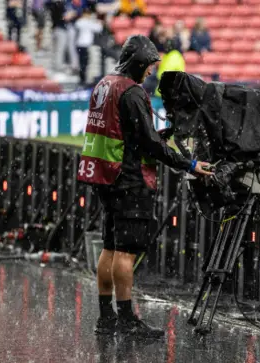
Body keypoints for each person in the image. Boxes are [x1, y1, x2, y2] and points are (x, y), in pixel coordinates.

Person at [77, 35, 212, 337]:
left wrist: (153, 136)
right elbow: (149, 145)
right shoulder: (133, 93)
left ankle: (105, 318)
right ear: (139, 62)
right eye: (150, 65)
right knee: (125, 253)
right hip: (130, 180)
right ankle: (126, 319)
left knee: (110, 248)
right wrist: (189, 164)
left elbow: (128, 133)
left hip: (106, 176)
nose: (151, 71)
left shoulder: (104, 84)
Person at [75, 6, 103, 85]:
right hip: (82, 45)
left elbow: (98, 28)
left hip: (86, 46)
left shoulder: (86, 22)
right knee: (83, 63)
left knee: (85, 63)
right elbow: (98, 28)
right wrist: (96, 22)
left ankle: (84, 79)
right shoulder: (83, 22)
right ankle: (82, 79)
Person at [94, 13, 121, 78]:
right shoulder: (102, 29)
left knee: (104, 52)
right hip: (106, 48)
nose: (109, 22)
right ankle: (102, 76)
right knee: (102, 54)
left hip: (113, 48)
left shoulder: (113, 27)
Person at [47, 0, 69, 71]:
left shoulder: (53, 4)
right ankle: (58, 67)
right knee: (59, 50)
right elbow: (65, 17)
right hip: (60, 29)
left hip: (55, 29)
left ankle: (55, 66)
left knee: (56, 50)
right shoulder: (59, 5)